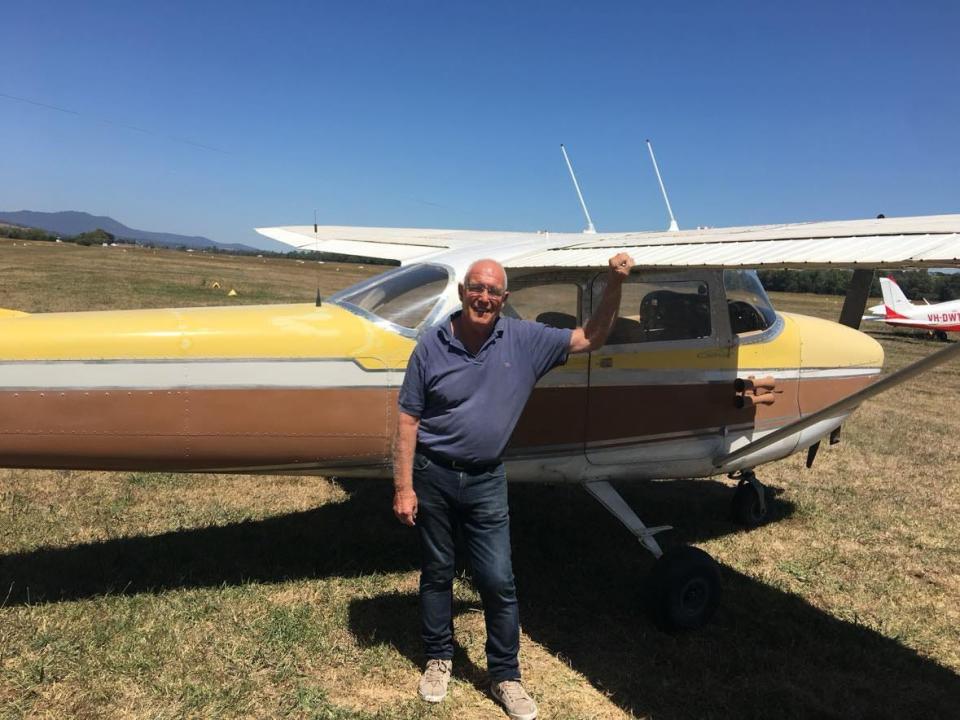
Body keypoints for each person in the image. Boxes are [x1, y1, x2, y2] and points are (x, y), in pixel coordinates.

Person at [393, 253, 634, 720]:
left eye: (493, 292)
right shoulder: (431, 344)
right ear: (463, 292)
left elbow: (590, 337)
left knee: (498, 580)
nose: (484, 297)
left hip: (486, 478)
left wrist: (614, 282)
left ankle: (505, 676)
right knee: (438, 571)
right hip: (434, 473)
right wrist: (404, 486)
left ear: (504, 299)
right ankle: (439, 658)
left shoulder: (524, 340)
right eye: (476, 288)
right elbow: (408, 418)